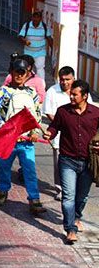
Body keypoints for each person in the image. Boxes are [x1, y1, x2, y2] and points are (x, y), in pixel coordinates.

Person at [43, 80, 99, 244]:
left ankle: (76, 217)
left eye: (75, 94)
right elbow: (54, 127)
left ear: (85, 96)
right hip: (67, 160)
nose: (71, 97)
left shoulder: (96, 113)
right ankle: (70, 229)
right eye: (71, 94)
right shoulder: (63, 112)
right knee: (68, 196)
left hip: (89, 162)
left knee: (82, 197)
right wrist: (49, 133)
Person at [0, 58, 46, 215]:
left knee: (30, 170)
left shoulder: (32, 93)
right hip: (7, 140)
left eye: (23, 72)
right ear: (11, 72)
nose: (20, 75)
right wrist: (6, 129)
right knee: (4, 168)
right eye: (17, 72)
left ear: (27, 74)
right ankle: (2, 191)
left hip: (26, 142)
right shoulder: (3, 91)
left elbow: (37, 114)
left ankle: (34, 199)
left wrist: (34, 131)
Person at [43, 66, 93, 201]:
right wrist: (64, 124)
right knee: (61, 167)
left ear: (73, 78)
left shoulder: (81, 91)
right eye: (62, 79)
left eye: (68, 79)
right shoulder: (52, 91)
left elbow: (91, 113)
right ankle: (61, 189)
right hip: (61, 139)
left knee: (81, 188)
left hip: (82, 143)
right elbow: (49, 112)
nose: (64, 82)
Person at [18, 11, 53, 81]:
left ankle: (41, 86)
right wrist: (25, 41)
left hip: (40, 52)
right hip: (28, 52)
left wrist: (53, 50)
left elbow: (49, 38)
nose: (36, 19)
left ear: (41, 18)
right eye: (34, 17)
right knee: (28, 69)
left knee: (40, 68)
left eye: (38, 17)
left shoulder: (44, 27)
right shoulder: (27, 25)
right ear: (32, 17)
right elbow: (20, 36)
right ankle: (29, 84)